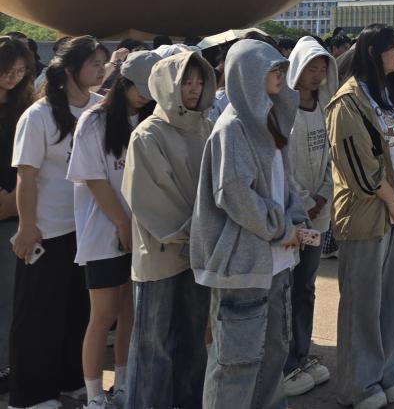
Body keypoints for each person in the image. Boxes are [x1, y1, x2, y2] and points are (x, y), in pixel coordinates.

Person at [191, 39, 304, 409]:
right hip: (243, 266)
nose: (280, 74)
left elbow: (284, 181)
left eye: (281, 67)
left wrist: (295, 217)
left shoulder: (269, 117)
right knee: (235, 365)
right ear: (248, 74)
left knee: (273, 356)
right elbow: (235, 194)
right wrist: (282, 227)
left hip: (276, 261)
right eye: (272, 68)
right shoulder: (232, 128)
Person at [326, 25, 394, 408]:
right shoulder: (347, 101)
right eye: (393, 48)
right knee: (362, 302)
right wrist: (391, 201)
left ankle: (387, 372)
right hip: (367, 214)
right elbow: (359, 165)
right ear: (372, 52)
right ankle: (359, 384)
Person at [10, 36, 107, 409]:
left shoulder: (100, 108)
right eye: (95, 63)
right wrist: (27, 226)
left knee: (79, 311)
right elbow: (27, 175)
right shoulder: (38, 115)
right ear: (70, 69)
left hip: (90, 230)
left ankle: (72, 380)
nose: (102, 70)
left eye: (103, 62)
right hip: (48, 230)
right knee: (39, 315)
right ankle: (32, 395)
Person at [122, 51, 216, 409]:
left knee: (194, 339)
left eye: (199, 82)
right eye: (185, 82)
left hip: (199, 252)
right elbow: (148, 199)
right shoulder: (147, 134)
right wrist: (196, 230)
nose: (194, 89)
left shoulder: (207, 127)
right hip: (160, 256)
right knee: (153, 345)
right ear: (166, 85)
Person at [68, 50, 161, 409]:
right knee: (103, 315)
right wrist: (122, 223)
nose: (146, 96)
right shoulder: (95, 120)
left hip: (140, 233)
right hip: (103, 232)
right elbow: (94, 180)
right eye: (141, 88)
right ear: (123, 82)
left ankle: (123, 385)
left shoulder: (150, 117)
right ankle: (94, 395)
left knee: (129, 314)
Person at [282, 37, 338, 397]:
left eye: (322, 69)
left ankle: (302, 351)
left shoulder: (325, 108)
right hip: (292, 216)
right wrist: (303, 201)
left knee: (306, 285)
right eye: (311, 68)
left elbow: (332, 156)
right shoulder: (284, 111)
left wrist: (322, 194)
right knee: (286, 287)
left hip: (318, 213)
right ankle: (285, 359)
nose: (316, 75)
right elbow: (281, 165)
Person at [0, 36, 36, 399]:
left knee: (10, 296)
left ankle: (6, 366)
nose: (13, 78)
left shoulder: (25, 108)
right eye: (8, 71)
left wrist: (14, 200)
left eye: (21, 71)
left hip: (15, 210)